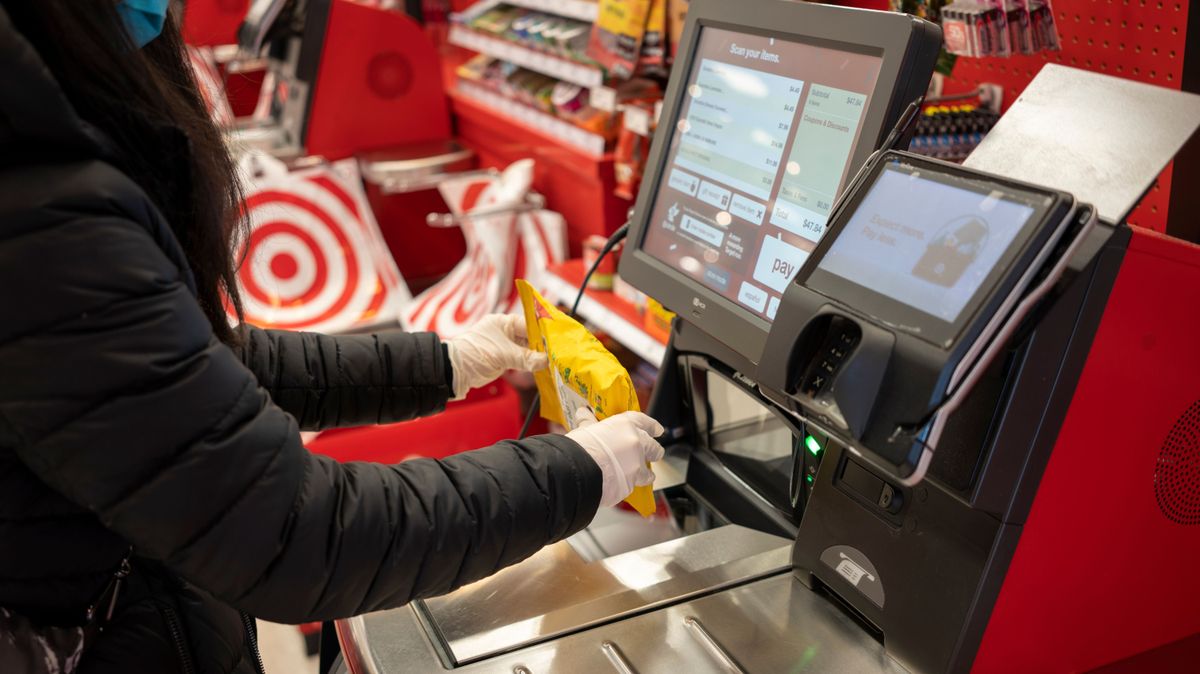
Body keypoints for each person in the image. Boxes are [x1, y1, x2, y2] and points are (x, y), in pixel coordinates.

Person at [0, 2, 664, 672]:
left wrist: (443, 363)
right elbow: (291, 533)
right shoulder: (36, 209)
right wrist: (578, 470)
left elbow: (183, 370)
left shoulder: (49, 149)